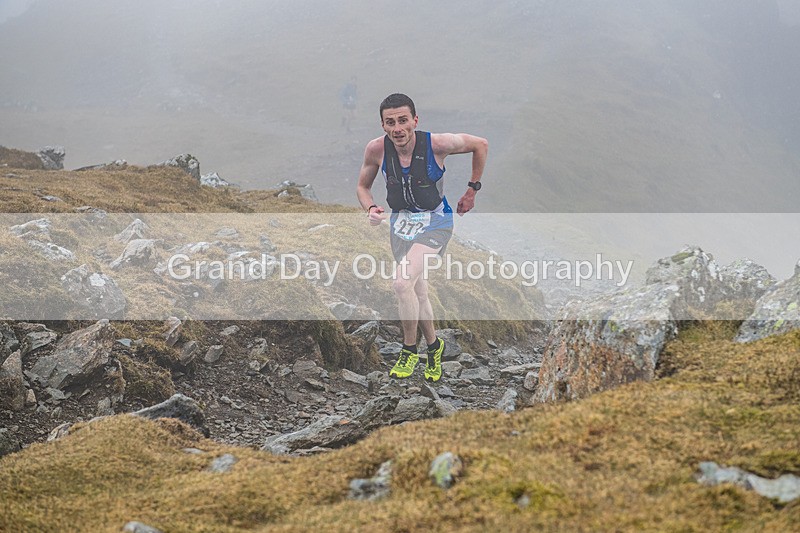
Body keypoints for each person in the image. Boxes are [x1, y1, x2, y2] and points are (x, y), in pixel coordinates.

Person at [356, 93, 488, 382]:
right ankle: (434, 346)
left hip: (435, 222)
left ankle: (408, 350)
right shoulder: (376, 150)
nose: (397, 128)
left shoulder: (436, 144)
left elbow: (480, 144)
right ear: (382, 125)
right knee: (418, 292)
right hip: (401, 225)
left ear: (415, 120)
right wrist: (371, 208)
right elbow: (363, 187)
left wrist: (472, 190)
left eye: (403, 120)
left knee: (402, 283)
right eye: (390, 122)